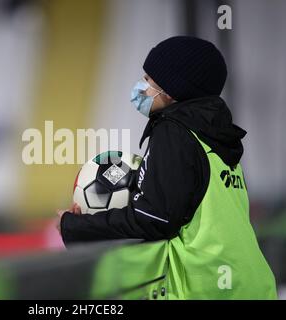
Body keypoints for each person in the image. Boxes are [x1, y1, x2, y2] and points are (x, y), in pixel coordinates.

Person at [56, 36, 277, 299]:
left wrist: (76, 226)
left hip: (208, 288)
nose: (142, 86)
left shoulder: (174, 131)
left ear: (171, 89)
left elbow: (155, 219)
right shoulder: (217, 137)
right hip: (252, 282)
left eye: (149, 80)